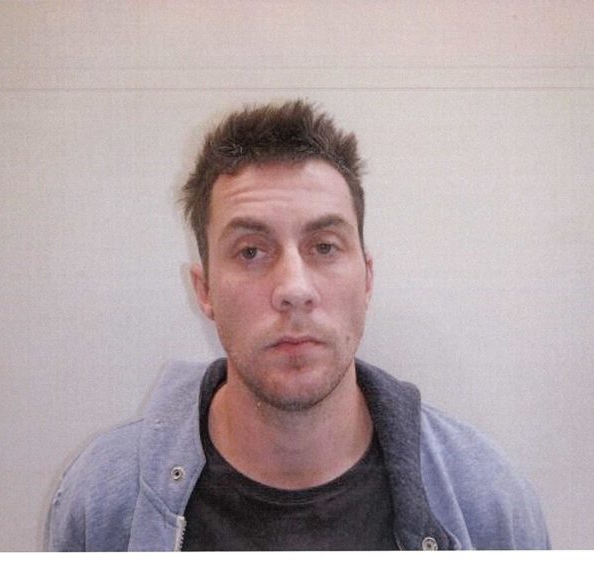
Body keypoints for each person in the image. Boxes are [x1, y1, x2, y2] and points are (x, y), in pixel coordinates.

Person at [45, 100, 550, 551]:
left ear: (367, 278)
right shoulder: (102, 500)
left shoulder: (488, 502)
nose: (294, 288)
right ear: (204, 290)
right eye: (251, 251)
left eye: (324, 247)